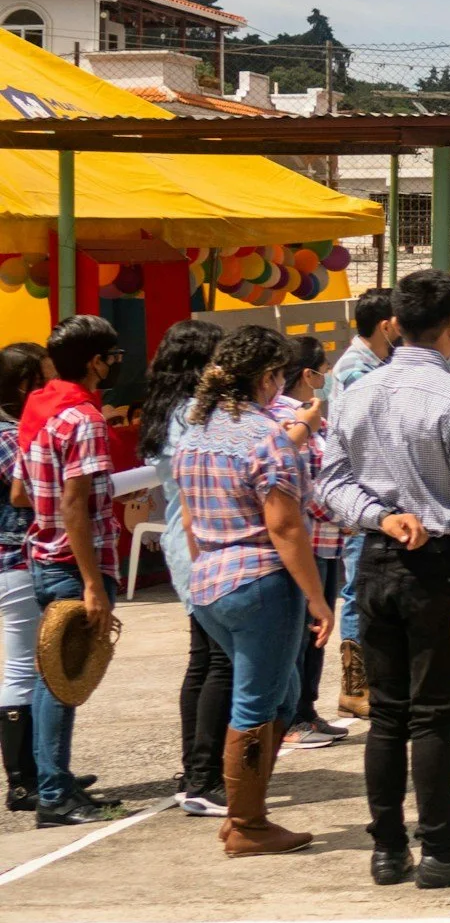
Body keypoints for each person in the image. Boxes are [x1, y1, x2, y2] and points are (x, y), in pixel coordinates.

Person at [322, 268, 450, 888]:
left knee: (388, 714)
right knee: (435, 715)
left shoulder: (355, 391)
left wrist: (380, 518)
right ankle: (441, 847)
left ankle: (388, 848)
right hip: (437, 566)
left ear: (395, 324)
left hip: (375, 559)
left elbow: (330, 484)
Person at [170, 325, 337, 856]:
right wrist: (316, 598)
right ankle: (247, 823)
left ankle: (244, 808)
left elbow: (191, 521)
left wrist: (205, 575)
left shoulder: (195, 435)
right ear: (269, 378)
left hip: (211, 579)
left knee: (280, 695)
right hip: (261, 580)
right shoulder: (266, 438)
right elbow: (286, 528)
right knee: (258, 703)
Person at [21, 315, 129, 827]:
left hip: (44, 556)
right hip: (73, 564)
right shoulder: (83, 419)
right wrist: (92, 583)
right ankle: (52, 792)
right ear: (95, 361)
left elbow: (24, 494)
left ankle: (55, 780)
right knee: (59, 683)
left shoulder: (40, 409)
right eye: (113, 357)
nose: (114, 366)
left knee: (57, 678)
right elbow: (74, 504)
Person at [134, 320, 231, 814]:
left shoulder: (175, 409)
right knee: (217, 660)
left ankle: (195, 770)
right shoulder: (187, 415)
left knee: (205, 657)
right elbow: (194, 493)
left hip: (194, 543)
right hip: (197, 544)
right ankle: (201, 777)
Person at [324, 287, 401, 721]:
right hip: (360, 497)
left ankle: (376, 679)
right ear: (387, 324)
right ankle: (355, 686)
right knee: (357, 592)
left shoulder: (380, 363)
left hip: (376, 495)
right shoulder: (356, 369)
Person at [279, 334, 351, 750]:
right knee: (305, 632)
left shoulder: (311, 416)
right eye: (322, 371)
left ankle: (306, 710)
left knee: (316, 634)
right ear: (307, 374)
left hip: (325, 539)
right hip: (308, 538)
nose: (325, 378)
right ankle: (292, 717)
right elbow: (310, 486)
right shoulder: (293, 419)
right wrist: (348, 515)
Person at [0, 341, 51, 814]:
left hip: (12, 562)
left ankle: (36, 769)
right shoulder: (9, 435)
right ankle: (22, 781)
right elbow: (29, 493)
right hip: (14, 561)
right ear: (24, 385)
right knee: (21, 669)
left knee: (31, 669)